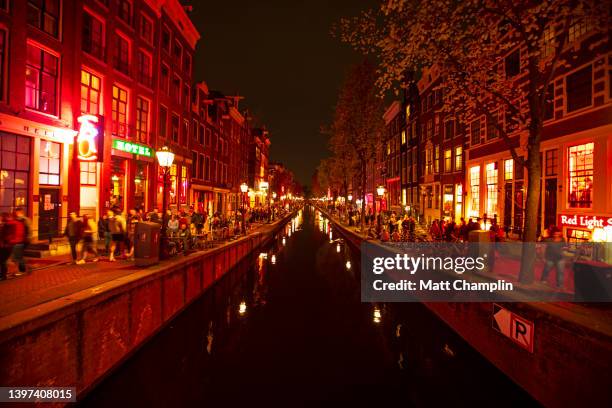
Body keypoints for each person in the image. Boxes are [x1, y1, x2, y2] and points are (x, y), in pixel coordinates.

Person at [0, 213, 14, 280]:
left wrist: (4, 243)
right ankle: (3, 274)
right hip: (5, 246)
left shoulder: (8, 225)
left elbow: (8, 236)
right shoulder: (5, 225)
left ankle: (3, 275)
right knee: (2, 260)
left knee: (2, 260)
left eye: (2, 217)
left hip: (6, 246)